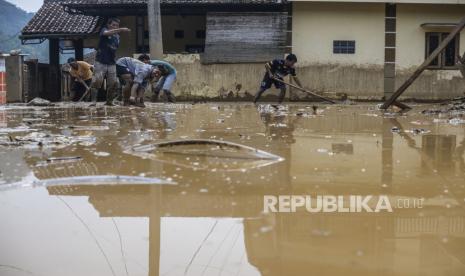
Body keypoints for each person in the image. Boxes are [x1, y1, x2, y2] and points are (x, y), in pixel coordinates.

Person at [89, 17, 130, 106]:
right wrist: (121, 29)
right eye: (113, 25)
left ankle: (109, 101)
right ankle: (93, 101)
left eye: (117, 25)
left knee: (113, 82)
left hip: (111, 62)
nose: (115, 27)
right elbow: (106, 33)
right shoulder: (104, 30)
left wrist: (118, 31)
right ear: (109, 25)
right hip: (100, 61)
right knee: (97, 81)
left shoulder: (118, 37)